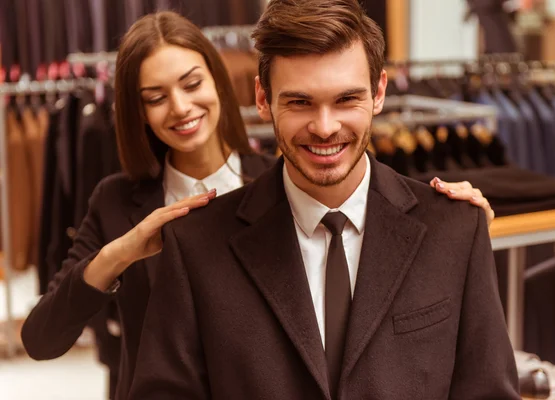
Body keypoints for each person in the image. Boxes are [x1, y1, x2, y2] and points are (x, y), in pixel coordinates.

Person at [21, 10, 496, 400]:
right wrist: (119, 254)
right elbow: (46, 337)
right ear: (264, 100)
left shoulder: (292, 172)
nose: (181, 108)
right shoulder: (144, 214)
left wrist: (456, 228)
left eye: (191, 84)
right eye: (156, 97)